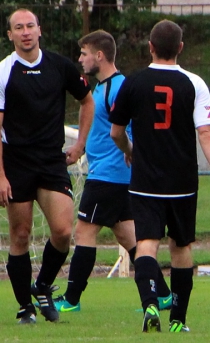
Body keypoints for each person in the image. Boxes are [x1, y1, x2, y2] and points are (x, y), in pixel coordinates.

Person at [0, 8, 94, 324]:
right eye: (18, 27)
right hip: (16, 163)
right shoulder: (0, 73)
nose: (26, 32)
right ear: (10, 35)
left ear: (39, 30)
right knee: (20, 234)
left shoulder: (60, 66)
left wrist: (79, 145)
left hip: (51, 161)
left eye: (30, 26)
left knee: (63, 231)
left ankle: (42, 285)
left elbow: (87, 102)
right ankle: (24, 307)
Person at [52, 30, 171, 313]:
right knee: (129, 236)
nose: (80, 59)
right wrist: (80, 150)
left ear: (99, 56)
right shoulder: (101, 88)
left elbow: (136, 125)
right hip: (109, 173)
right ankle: (164, 295)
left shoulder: (118, 88)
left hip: (109, 175)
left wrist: (132, 152)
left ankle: (72, 299)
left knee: (84, 232)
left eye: (84, 54)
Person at [110, 19, 210, 333]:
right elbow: (205, 133)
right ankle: (178, 320)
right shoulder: (195, 84)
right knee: (181, 247)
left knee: (146, 244)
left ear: (150, 47)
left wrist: (130, 149)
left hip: (145, 181)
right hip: (182, 183)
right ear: (180, 48)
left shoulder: (133, 83)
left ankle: (150, 303)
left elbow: (116, 133)